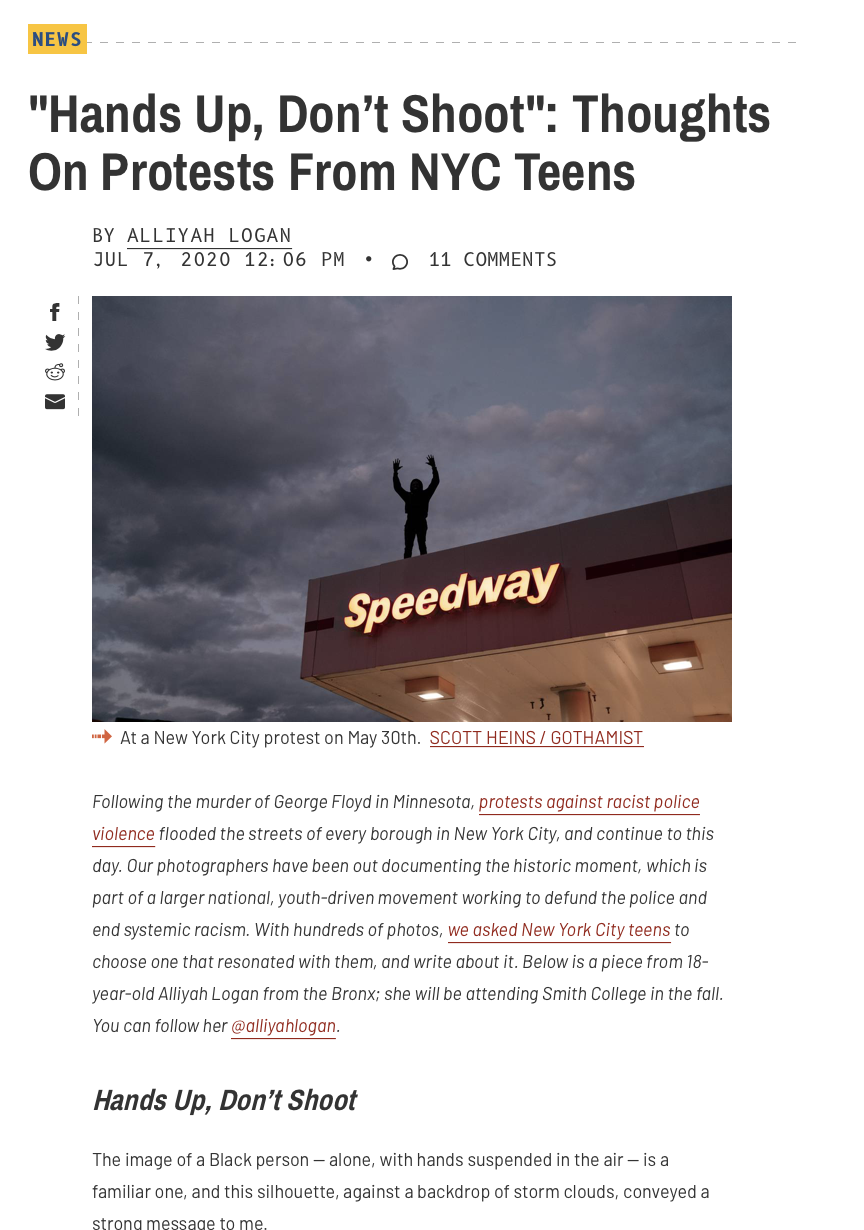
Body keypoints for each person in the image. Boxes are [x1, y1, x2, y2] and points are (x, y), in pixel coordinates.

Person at [393, 455, 439, 557]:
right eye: (413, 484)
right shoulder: (408, 496)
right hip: (410, 522)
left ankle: (424, 564)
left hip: (421, 521)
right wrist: (395, 473)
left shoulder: (425, 495)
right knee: (408, 546)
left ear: (420, 486)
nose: (415, 485)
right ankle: (406, 565)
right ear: (411, 486)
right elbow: (397, 488)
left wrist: (434, 467)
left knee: (422, 545)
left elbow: (435, 482)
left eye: (417, 484)